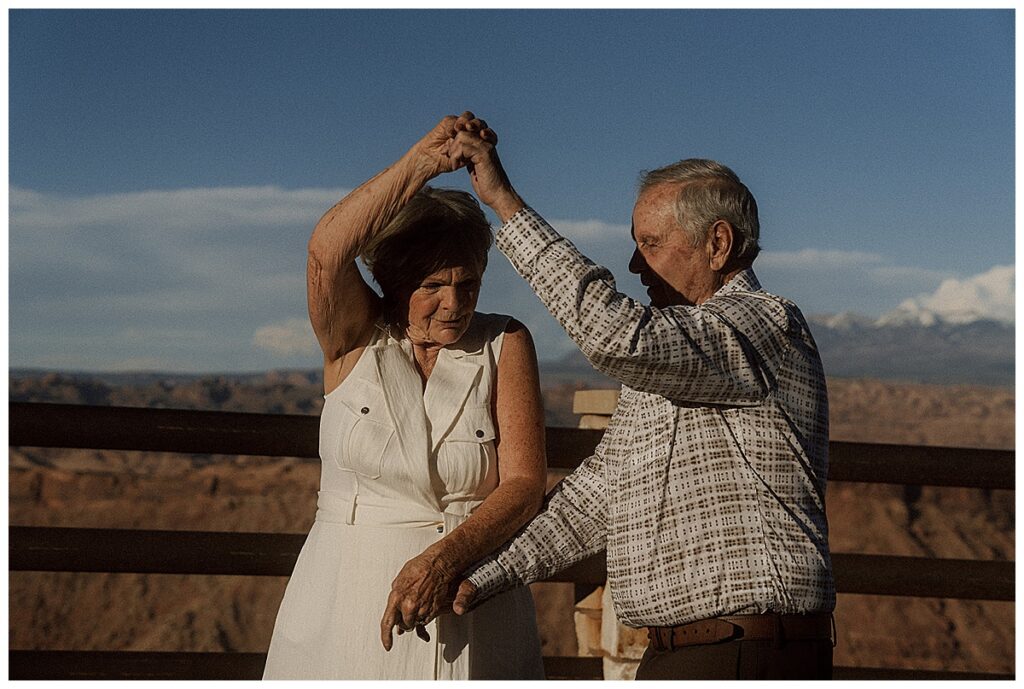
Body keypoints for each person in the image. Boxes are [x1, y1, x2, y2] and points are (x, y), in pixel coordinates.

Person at [441, 114, 836, 679]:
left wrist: (505, 203)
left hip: (749, 653)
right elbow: (596, 498)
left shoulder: (766, 326)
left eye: (650, 244)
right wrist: (476, 576)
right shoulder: (674, 363)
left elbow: (615, 334)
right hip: (677, 655)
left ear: (717, 244)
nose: (633, 265)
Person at [261, 114, 546, 680]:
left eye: (468, 283)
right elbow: (325, 253)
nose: (454, 303)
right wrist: (420, 163)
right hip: (348, 590)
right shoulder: (353, 336)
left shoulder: (505, 342)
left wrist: (444, 559)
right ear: (394, 280)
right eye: (433, 285)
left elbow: (523, 486)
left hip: (469, 593)